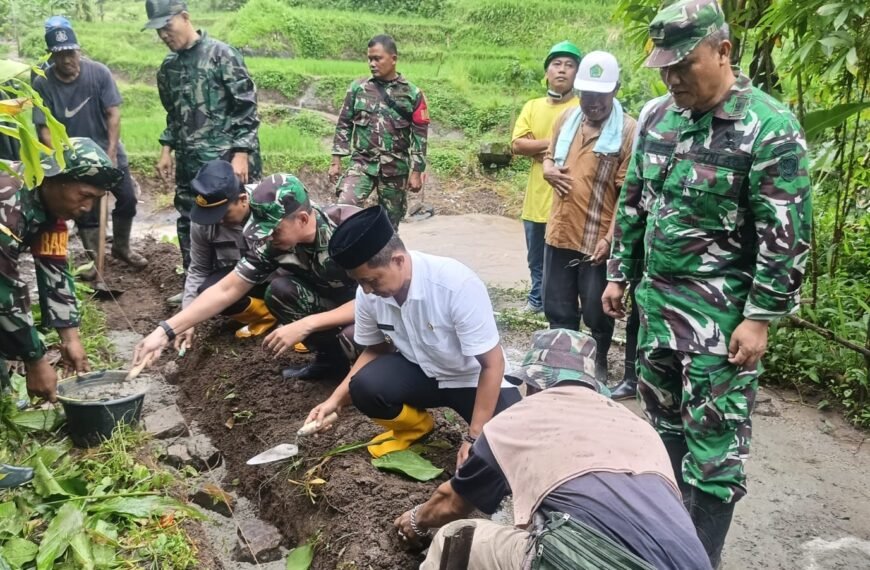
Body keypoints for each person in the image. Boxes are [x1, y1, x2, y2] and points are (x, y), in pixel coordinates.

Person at [601, 0, 813, 566]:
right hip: (658, 314)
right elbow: (636, 201)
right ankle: (664, 544)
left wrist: (760, 316)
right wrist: (620, 271)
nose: (673, 79)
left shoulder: (769, 129)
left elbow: (785, 236)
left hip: (722, 330)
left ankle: (698, 560)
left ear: (723, 51)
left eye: (684, 65)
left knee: (714, 457)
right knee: (662, 432)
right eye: (664, 68)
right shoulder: (658, 119)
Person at [394, 329, 711, 570]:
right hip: (692, 561)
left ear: (531, 384)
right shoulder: (639, 427)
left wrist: (416, 521)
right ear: (590, 384)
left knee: (457, 537)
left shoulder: (515, 421)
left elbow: (451, 502)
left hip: (607, 562)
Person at [305, 206, 521, 467]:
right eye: (360, 282)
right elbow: (375, 349)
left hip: (471, 379)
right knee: (363, 386)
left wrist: (475, 436)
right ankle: (416, 429)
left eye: (372, 280)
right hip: (422, 373)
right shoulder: (369, 295)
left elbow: (492, 363)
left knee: (507, 452)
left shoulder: (454, 284)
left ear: (398, 260)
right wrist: (334, 400)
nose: (367, 290)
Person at [133, 174, 359, 379]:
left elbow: (377, 301)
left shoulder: (351, 233)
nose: (268, 238)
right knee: (282, 291)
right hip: (335, 300)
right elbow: (227, 289)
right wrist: (165, 331)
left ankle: (362, 378)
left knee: (352, 336)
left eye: (274, 231)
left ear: (301, 219)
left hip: (374, 313)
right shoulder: (276, 244)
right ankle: (331, 363)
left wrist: (308, 324)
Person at [144, 0, 261, 291]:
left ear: (185, 17)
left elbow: (246, 107)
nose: (163, 35)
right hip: (189, 163)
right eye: (157, 30)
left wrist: (242, 152)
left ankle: (248, 281)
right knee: (189, 217)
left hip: (226, 160)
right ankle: (196, 285)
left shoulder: (222, 55)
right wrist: (166, 149)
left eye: (167, 26)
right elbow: (173, 114)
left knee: (238, 218)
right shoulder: (168, 68)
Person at [0, 137, 123, 402]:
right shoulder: (8, 205)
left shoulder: (52, 214)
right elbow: (5, 291)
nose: (87, 208)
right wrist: (36, 360)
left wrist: (71, 338)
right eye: (84, 196)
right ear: (55, 178)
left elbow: (55, 271)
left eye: (96, 199)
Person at [541, 51, 637, 382]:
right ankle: (565, 368)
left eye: (601, 94)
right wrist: (548, 169)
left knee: (598, 312)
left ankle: (597, 366)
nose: (593, 102)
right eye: (586, 94)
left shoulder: (628, 132)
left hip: (597, 238)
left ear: (616, 89)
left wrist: (611, 239)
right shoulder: (564, 120)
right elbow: (549, 158)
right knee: (557, 306)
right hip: (560, 232)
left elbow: (627, 197)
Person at [32, 24, 148, 277]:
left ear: (79, 51)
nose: (67, 60)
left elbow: (113, 115)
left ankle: (121, 247)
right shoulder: (43, 83)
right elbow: (45, 129)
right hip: (74, 159)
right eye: (60, 55)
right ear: (51, 56)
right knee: (84, 211)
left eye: (71, 53)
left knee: (127, 200)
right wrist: (64, 165)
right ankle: (96, 265)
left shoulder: (98, 73)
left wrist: (111, 153)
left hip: (107, 149)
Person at [330, 35, 429, 229]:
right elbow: (344, 123)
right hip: (362, 164)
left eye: (378, 58)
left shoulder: (412, 94)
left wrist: (417, 172)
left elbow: (420, 135)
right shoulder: (357, 89)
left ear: (393, 59)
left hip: (395, 168)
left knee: (389, 227)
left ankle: (385, 257)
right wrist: (336, 160)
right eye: (369, 59)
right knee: (343, 210)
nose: (372, 64)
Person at [511, 41, 581, 314]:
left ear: (577, 73)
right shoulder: (533, 106)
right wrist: (555, 143)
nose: (562, 70)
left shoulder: (582, 107)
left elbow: (579, 146)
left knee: (566, 255)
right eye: (556, 64)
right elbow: (517, 145)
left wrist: (538, 146)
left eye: (569, 65)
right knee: (535, 256)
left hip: (568, 195)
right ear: (547, 71)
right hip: (535, 197)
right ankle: (537, 299)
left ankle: (564, 303)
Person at [173, 159, 274, 351]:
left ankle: (289, 314)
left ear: (243, 200)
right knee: (207, 291)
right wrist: (185, 320)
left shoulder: (270, 205)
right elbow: (199, 269)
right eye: (211, 215)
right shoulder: (205, 221)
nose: (216, 221)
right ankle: (266, 315)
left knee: (286, 285)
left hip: (281, 275)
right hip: (243, 277)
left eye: (223, 214)